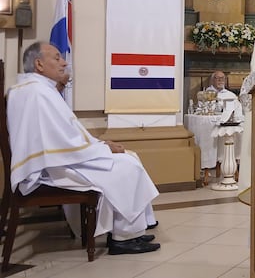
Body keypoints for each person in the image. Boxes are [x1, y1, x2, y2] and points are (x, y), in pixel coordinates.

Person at [7, 42, 160, 255]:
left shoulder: (33, 88)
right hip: (51, 167)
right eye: (57, 57)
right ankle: (123, 239)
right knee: (127, 167)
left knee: (127, 160)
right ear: (39, 64)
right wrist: (103, 149)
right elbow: (62, 141)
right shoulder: (37, 92)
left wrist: (101, 145)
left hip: (54, 160)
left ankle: (131, 231)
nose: (64, 62)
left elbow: (62, 135)